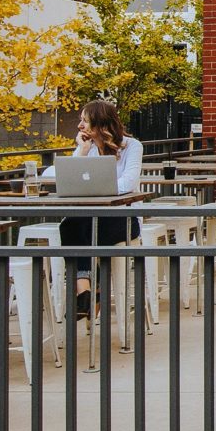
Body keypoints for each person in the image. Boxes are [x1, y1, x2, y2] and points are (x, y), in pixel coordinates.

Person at [59, 100, 143, 317]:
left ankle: (92, 291)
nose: (80, 126)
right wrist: (83, 151)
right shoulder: (86, 148)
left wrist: (100, 191)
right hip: (90, 217)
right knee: (69, 225)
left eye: (85, 121)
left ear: (100, 123)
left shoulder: (132, 146)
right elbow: (70, 179)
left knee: (83, 231)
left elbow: (129, 183)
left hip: (123, 218)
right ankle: (85, 291)